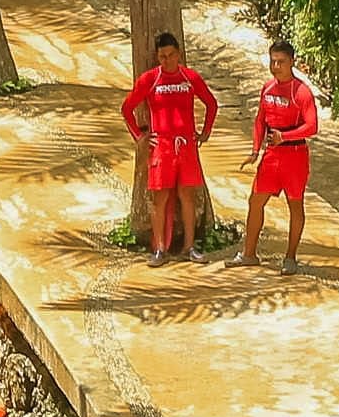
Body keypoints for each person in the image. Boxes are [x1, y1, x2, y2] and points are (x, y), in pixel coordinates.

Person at [120, 33, 218, 265]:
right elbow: (126, 108)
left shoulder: (190, 77)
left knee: (187, 196)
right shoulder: (150, 79)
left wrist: (205, 132)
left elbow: (211, 104)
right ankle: (160, 250)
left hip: (186, 146)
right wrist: (140, 137)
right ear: (157, 57)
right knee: (160, 199)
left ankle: (189, 247)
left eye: (171, 55)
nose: (167, 60)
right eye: (162, 56)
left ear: (179, 54)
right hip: (161, 147)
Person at [232, 40, 318, 273]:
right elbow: (261, 120)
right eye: (273, 61)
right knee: (255, 201)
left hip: (295, 156)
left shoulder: (301, 92)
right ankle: (249, 254)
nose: (276, 66)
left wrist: (285, 136)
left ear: (292, 62)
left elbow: (312, 126)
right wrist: (255, 150)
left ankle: (290, 257)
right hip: (271, 155)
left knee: (295, 205)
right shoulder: (268, 88)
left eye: (281, 62)